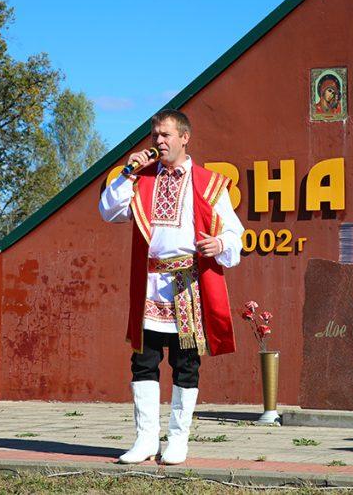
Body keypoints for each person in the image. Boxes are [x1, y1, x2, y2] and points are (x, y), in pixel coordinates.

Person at [99, 109, 244, 465]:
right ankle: (146, 440)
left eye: (165, 135)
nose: (158, 141)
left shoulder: (209, 183)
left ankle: (178, 440)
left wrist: (220, 244)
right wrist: (127, 172)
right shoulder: (141, 179)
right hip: (149, 285)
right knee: (143, 361)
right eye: (155, 135)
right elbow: (108, 211)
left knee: (185, 363)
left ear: (184, 137)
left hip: (187, 286)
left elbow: (234, 233)